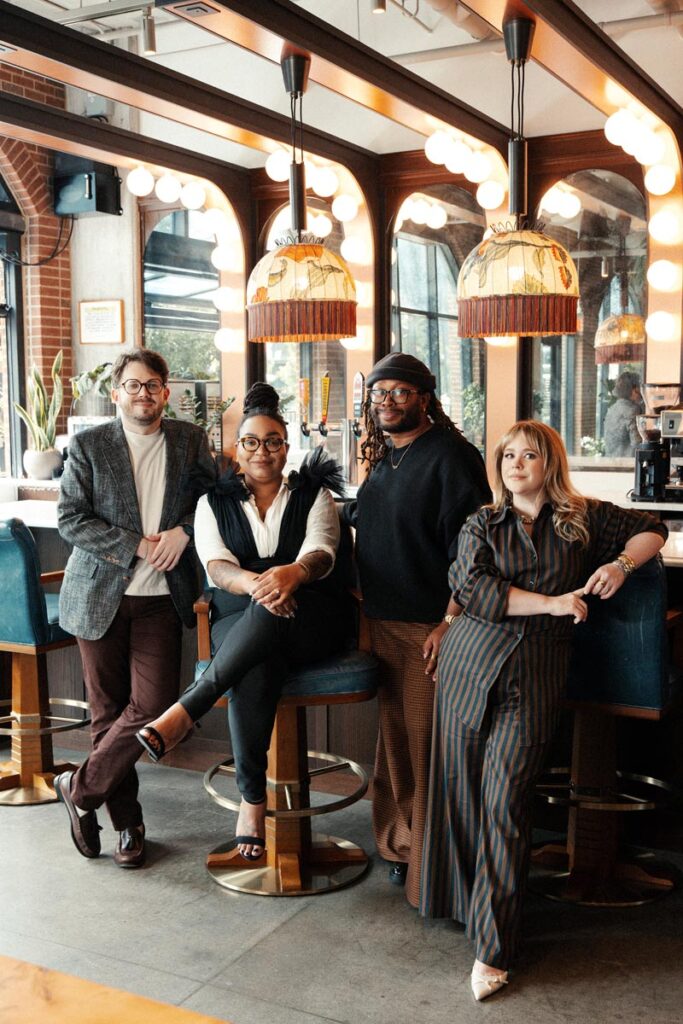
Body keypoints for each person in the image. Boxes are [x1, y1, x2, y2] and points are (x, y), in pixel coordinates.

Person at [419, 420, 666, 1001]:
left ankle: (493, 947)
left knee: (504, 800)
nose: (515, 464)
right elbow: (473, 588)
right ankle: (463, 908)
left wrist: (620, 567)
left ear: (548, 463)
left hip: (534, 676)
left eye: (528, 455)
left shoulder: (585, 518)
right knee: (459, 792)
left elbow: (652, 527)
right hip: (467, 665)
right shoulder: (482, 521)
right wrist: (555, 602)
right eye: (508, 455)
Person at [136, 382, 351, 860]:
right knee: (257, 659)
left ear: (286, 446)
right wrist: (260, 587)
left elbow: (322, 551)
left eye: (272, 441)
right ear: (238, 448)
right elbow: (216, 567)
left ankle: (190, 712)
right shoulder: (212, 501)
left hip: (312, 617)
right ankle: (254, 800)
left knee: (265, 630)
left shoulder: (313, 495)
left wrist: (294, 573)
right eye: (251, 442)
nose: (262, 451)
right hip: (243, 615)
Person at [54, 348, 215, 869]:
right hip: (98, 596)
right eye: (133, 385)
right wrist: (137, 545)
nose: (142, 393)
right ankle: (129, 825)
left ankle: (78, 790)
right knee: (106, 713)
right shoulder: (89, 445)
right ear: (116, 392)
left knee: (153, 707)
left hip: (159, 600)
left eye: (152, 385)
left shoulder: (190, 441)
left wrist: (184, 531)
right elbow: (70, 519)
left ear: (166, 393)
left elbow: (215, 501)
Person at [341, 352, 491, 906]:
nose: (387, 402)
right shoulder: (383, 457)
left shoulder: (451, 456)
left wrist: (450, 621)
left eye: (400, 392)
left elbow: (473, 550)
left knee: (430, 750)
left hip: (432, 627)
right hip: (382, 623)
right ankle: (401, 845)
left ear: (424, 398)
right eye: (379, 393)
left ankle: (435, 872)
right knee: (396, 744)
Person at [603, 370, 643, 457]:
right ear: (634, 390)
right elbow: (637, 443)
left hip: (610, 460)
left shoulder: (612, 408)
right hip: (626, 463)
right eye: (639, 388)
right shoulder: (632, 410)